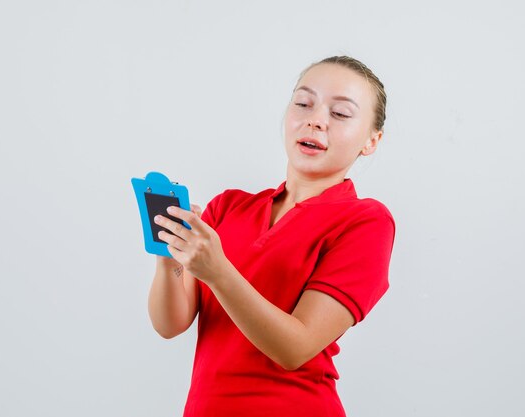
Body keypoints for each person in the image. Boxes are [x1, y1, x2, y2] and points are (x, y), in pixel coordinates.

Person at [147, 56, 396, 417]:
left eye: (340, 113)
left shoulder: (366, 221)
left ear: (371, 140)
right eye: (303, 103)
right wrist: (169, 254)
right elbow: (169, 324)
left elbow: (294, 349)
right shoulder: (228, 207)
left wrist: (218, 271)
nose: (315, 119)